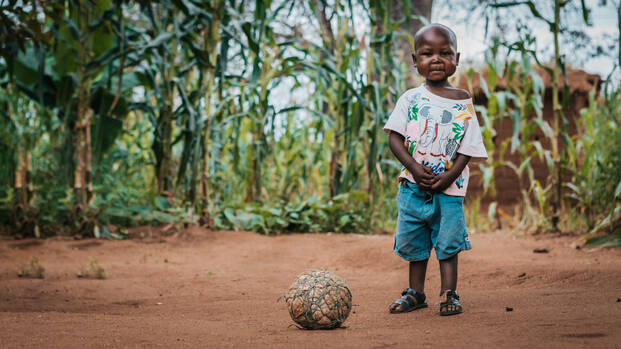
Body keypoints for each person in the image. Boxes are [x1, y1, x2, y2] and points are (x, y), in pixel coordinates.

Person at [383, 23, 488, 316]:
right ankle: (415, 293)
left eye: (445, 52)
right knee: (414, 241)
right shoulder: (410, 99)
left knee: (448, 242)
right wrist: (414, 168)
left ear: (457, 58)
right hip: (413, 188)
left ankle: (450, 294)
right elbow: (394, 137)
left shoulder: (463, 100)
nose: (437, 59)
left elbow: (469, 145)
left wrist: (449, 176)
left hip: (449, 191)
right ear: (416, 61)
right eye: (428, 54)